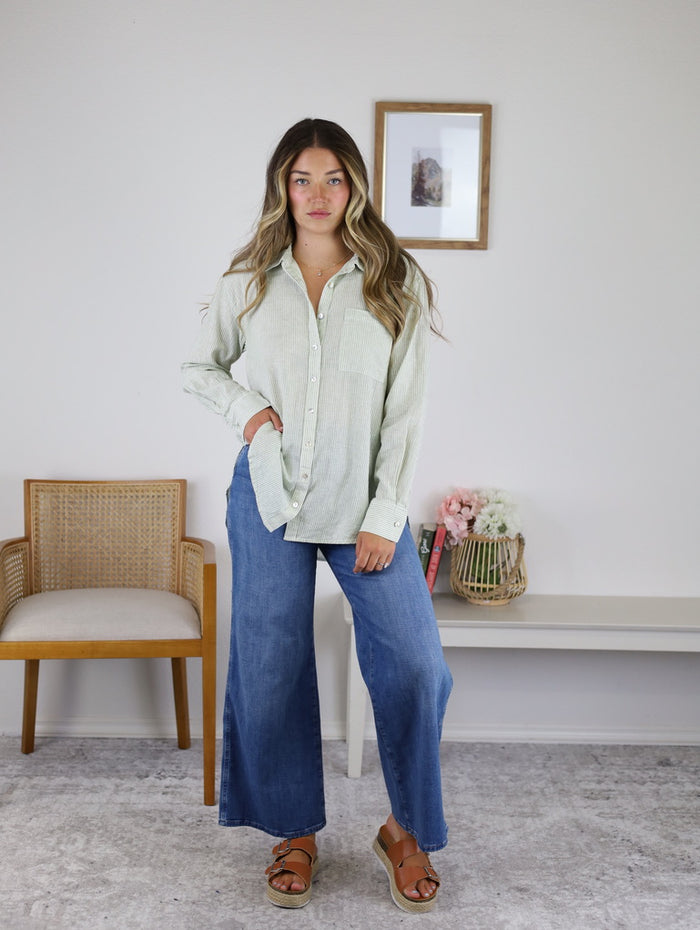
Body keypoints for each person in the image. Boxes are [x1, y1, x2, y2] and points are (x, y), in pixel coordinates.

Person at [182, 118, 452, 913]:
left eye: (333, 178)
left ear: (355, 186)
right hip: (269, 496)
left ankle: (404, 830)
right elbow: (199, 367)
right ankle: (292, 830)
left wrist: (387, 512)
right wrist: (249, 413)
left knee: (416, 663)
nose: (318, 194)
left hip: (363, 504)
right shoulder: (249, 280)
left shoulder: (394, 279)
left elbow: (406, 411)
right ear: (283, 187)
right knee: (269, 664)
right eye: (302, 179)